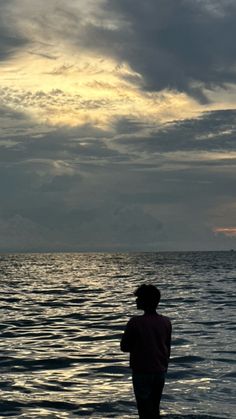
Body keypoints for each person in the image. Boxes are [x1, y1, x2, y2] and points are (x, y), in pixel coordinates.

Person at [120, 284, 172, 419]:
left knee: (143, 409)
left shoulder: (134, 322)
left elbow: (124, 347)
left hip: (142, 370)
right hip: (160, 370)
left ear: (145, 301)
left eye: (138, 298)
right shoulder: (166, 321)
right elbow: (168, 347)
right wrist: (164, 366)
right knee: (155, 407)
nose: (136, 301)